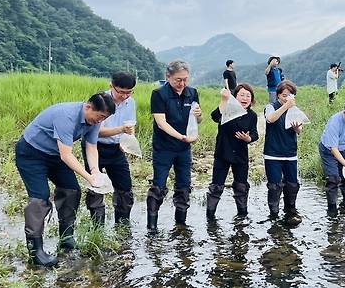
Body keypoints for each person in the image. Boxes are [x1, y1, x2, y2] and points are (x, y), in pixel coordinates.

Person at [15, 93, 115, 266]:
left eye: (103, 119)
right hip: (31, 153)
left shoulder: (93, 121)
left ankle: (67, 238)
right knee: (39, 199)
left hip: (54, 156)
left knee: (71, 190)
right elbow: (66, 155)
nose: (99, 121)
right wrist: (89, 178)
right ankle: (35, 251)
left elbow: (91, 146)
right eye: (99, 117)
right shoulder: (66, 115)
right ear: (88, 107)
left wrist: (95, 171)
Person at [147, 60, 202, 231]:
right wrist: (182, 137)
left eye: (185, 79)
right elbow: (161, 123)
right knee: (159, 186)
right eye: (178, 79)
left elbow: (196, 120)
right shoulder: (159, 94)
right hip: (164, 148)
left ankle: (181, 224)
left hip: (184, 150)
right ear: (168, 77)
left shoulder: (192, 93)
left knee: (184, 185)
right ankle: (152, 226)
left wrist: (199, 116)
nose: (182, 83)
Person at [82, 72, 137, 227]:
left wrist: (127, 140)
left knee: (124, 187)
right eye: (121, 92)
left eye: (129, 92)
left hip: (116, 149)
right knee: (96, 186)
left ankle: (122, 226)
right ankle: (97, 228)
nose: (125, 96)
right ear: (111, 86)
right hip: (95, 147)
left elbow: (130, 125)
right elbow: (96, 131)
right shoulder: (100, 101)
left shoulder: (130, 102)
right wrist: (121, 130)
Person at [206, 84, 259, 220]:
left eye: (248, 95)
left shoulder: (252, 116)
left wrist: (248, 138)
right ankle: (210, 217)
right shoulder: (227, 109)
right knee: (216, 186)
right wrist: (224, 100)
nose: (245, 98)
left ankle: (242, 216)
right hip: (223, 153)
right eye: (242, 94)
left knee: (241, 186)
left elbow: (255, 134)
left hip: (241, 155)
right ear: (235, 96)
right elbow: (214, 116)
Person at [264, 81, 304, 223]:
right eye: (284, 95)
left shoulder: (295, 110)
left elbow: (299, 131)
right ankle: (274, 215)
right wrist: (286, 106)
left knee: (292, 184)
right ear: (278, 95)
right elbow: (271, 119)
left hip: (290, 152)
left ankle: (290, 210)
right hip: (272, 153)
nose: (287, 98)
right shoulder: (270, 107)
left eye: (290, 95)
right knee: (274, 185)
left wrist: (296, 128)